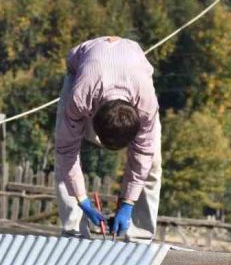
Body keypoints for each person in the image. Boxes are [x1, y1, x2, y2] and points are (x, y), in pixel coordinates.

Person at [55, 36, 161, 240]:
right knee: (63, 151)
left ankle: (140, 235)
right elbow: (66, 151)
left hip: (132, 71)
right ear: (92, 120)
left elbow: (143, 153)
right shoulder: (80, 98)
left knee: (152, 162)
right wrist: (83, 201)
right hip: (82, 70)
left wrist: (127, 203)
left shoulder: (146, 106)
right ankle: (73, 231)